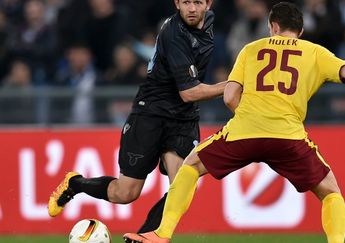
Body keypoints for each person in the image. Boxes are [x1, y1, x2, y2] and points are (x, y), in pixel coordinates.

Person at [124, 2, 345, 243]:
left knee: (190, 167)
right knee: (330, 192)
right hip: (289, 136)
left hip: (244, 131)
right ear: (299, 30)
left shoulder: (251, 49)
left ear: (272, 26)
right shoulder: (314, 52)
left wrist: (249, 122)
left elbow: (230, 96)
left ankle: (161, 234)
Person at [48, 0, 226, 235]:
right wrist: (233, 85)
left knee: (182, 186)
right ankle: (75, 183)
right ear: (176, 3)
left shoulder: (209, 22)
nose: (192, 8)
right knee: (126, 193)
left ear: (208, 4)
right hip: (151, 114)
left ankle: (143, 238)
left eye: (197, 2)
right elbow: (189, 92)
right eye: (186, 2)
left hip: (183, 117)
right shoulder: (174, 33)